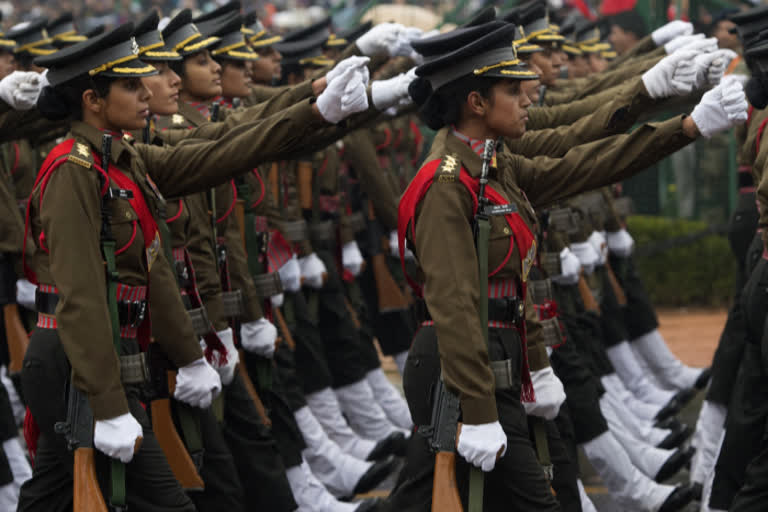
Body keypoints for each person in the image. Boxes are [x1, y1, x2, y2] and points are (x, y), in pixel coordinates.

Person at [390, 20, 746, 512]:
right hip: (462, 374)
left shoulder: (492, 162)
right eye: (513, 90)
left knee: (545, 482)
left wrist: (683, 128)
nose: (529, 97)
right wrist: (478, 412)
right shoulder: (449, 185)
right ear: (476, 103)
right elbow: (455, 307)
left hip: (505, 361)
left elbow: (583, 165)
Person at [17, 20, 372, 510]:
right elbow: (79, 298)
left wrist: (315, 109)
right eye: (129, 84)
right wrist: (108, 403)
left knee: (52, 495)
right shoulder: (73, 172)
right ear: (91, 100)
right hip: (75, 363)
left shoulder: (120, 158)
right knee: (162, 499)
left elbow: (221, 152)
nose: (147, 91)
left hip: (103, 354)